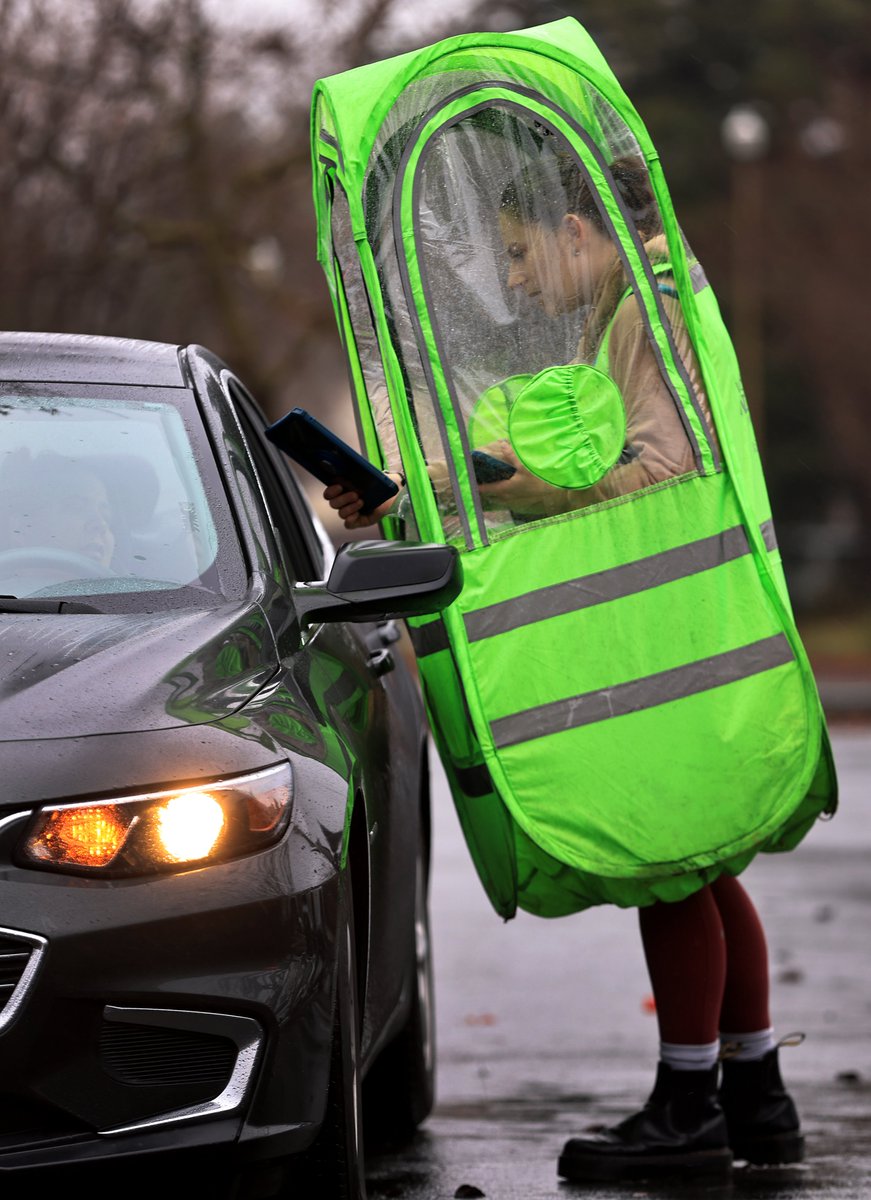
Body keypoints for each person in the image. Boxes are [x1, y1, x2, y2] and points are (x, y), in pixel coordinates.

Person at [323, 148, 807, 1183]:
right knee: (705, 860)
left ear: (576, 232)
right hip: (685, 616)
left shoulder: (645, 310)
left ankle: (690, 1106)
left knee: (669, 859)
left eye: (520, 254)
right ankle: (753, 1091)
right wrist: (449, 485)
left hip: (660, 622)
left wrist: (515, 490)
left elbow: (656, 473)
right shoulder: (650, 300)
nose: (517, 281)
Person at [0, 450, 116, 572]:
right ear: (21, 528)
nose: (101, 524)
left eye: (106, 517)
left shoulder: (134, 589)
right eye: (76, 507)